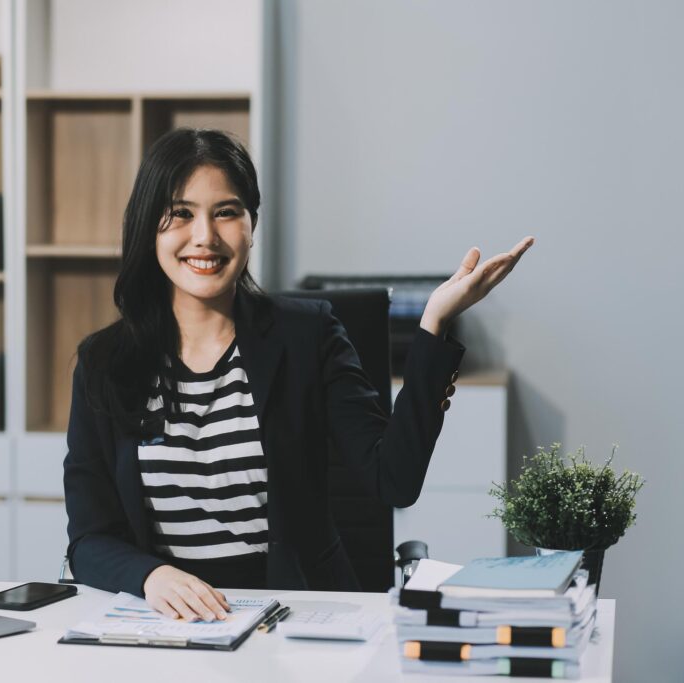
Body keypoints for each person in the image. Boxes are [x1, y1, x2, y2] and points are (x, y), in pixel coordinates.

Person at [63, 128, 533, 623]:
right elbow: (90, 538)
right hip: (166, 621)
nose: (205, 235)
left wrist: (433, 325)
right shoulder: (105, 363)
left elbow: (392, 482)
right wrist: (149, 576)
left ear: (251, 225)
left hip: (291, 616)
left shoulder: (307, 336)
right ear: (147, 225)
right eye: (181, 213)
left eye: (226, 211)